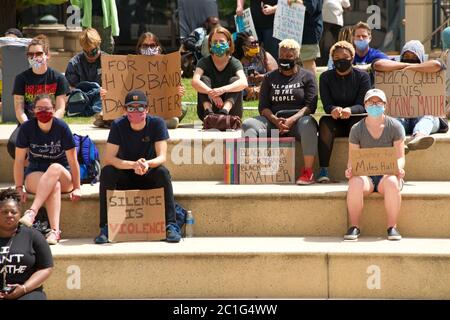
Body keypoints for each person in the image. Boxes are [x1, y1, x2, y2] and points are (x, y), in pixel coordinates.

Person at [94, 90, 182, 244]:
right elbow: (109, 158)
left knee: (163, 173)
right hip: (126, 176)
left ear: (147, 109)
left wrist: (146, 164)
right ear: (125, 110)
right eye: (131, 108)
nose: (136, 111)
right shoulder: (118, 125)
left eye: (140, 107)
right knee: (107, 172)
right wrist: (133, 165)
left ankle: (170, 225)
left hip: (148, 174)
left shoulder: (157, 123)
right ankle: (106, 226)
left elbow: (161, 157)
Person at [242, 39, 319, 185]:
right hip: (273, 121)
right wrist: (276, 121)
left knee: (309, 124)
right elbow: (263, 107)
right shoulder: (270, 77)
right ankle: (253, 168)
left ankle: (308, 172)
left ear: (297, 58)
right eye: (282, 55)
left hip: (298, 122)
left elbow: (310, 106)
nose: (285, 59)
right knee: (248, 124)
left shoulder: (307, 76)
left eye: (289, 56)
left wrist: (291, 120)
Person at [14, 94, 82, 245]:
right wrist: (19, 187)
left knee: (55, 167)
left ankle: (32, 212)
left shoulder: (61, 127)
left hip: (63, 173)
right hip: (35, 172)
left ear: (53, 110)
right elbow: (19, 161)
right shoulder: (27, 128)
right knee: (54, 185)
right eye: (40, 108)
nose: (44, 112)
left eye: (47, 108)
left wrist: (77, 187)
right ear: (33, 110)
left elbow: (73, 160)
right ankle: (55, 232)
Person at [344, 88, 405, 241]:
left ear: (385, 105)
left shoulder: (395, 126)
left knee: (392, 182)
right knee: (355, 183)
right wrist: (350, 169)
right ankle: (354, 226)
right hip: (366, 176)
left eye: (379, 102)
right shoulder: (356, 129)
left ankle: (392, 227)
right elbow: (353, 157)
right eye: (371, 102)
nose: (375, 105)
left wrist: (398, 168)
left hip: (387, 174)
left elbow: (400, 156)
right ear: (365, 105)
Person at [373, 40, 448, 152]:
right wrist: (407, 66)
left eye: (414, 56)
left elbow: (437, 65)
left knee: (429, 116)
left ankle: (419, 137)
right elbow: (378, 65)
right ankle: (398, 141)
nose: (410, 58)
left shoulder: (430, 64)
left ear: (421, 57)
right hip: (403, 118)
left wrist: (414, 67)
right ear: (401, 56)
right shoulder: (394, 64)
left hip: (425, 118)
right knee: (393, 120)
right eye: (406, 56)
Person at [8, 35, 70, 159]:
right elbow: (19, 110)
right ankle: (29, 170)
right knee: (13, 145)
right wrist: (32, 127)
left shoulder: (58, 78)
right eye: (30, 54)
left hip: (53, 123)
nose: (34, 57)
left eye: (38, 53)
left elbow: (60, 109)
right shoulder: (21, 79)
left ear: (47, 55)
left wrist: (47, 125)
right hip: (27, 123)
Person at [317, 41, 370, 183]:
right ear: (332, 59)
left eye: (345, 56)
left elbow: (363, 104)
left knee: (360, 124)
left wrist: (350, 110)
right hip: (336, 120)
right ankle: (323, 169)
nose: (341, 60)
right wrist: (333, 109)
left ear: (352, 58)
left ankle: (359, 168)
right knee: (324, 122)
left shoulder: (362, 77)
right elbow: (326, 104)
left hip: (355, 118)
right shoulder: (325, 77)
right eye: (336, 57)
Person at [0, 188, 53, 300]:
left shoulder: (33, 236)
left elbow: (46, 268)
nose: (9, 215)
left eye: (13, 212)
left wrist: (24, 288)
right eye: (4, 212)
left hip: (27, 292)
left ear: (20, 214)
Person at [191, 27, 248, 121]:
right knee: (203, 79)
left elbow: (244, 82)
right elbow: (195, 81)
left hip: (232, 113)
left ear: (228, 43)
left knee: (236, 80)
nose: (218, 45)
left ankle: (224, 111)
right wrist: (212, 93)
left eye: (221, 41)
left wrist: (222, 90)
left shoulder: (235, 62)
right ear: (210, 43)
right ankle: (208, 112)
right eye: (215, 41)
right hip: (207, 110)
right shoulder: (203, 62)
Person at [135, 32, 186, 129]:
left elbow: (173, 90)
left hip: (161, 108)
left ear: (158, 47)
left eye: (152, 45)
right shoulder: (132, 66)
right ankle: (158, 123)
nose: (149, 48)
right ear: (139, 48)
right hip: (140, 106)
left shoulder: (168, 65)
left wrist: (178, 92)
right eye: (145, 46)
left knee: (183, 107)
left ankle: (145, 122)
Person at [65, 28, 108, 127]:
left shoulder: (108, 61)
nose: (90, 56)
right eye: (86, 52)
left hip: (102, 97)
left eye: (93, 52)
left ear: (99, 45)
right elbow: (70, 89)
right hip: (82, 98)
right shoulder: (74, 63)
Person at [234, 31, 278, 101]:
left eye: (257, 42)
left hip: (262, 89)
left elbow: (276, 75)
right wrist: (249, 90)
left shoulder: (264, 55)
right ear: (244, 47)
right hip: (242, 91)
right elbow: (234, 78)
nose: (256, 45)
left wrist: (262, 77)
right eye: (253, 43)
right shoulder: (236, 59)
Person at [318, 0, 351, 66]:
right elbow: (347, 6)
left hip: (329, 19)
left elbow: (347, 6)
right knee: (338, 41)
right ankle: (338, 58)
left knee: (322, 40)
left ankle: (337, 59)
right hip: (334, 20)